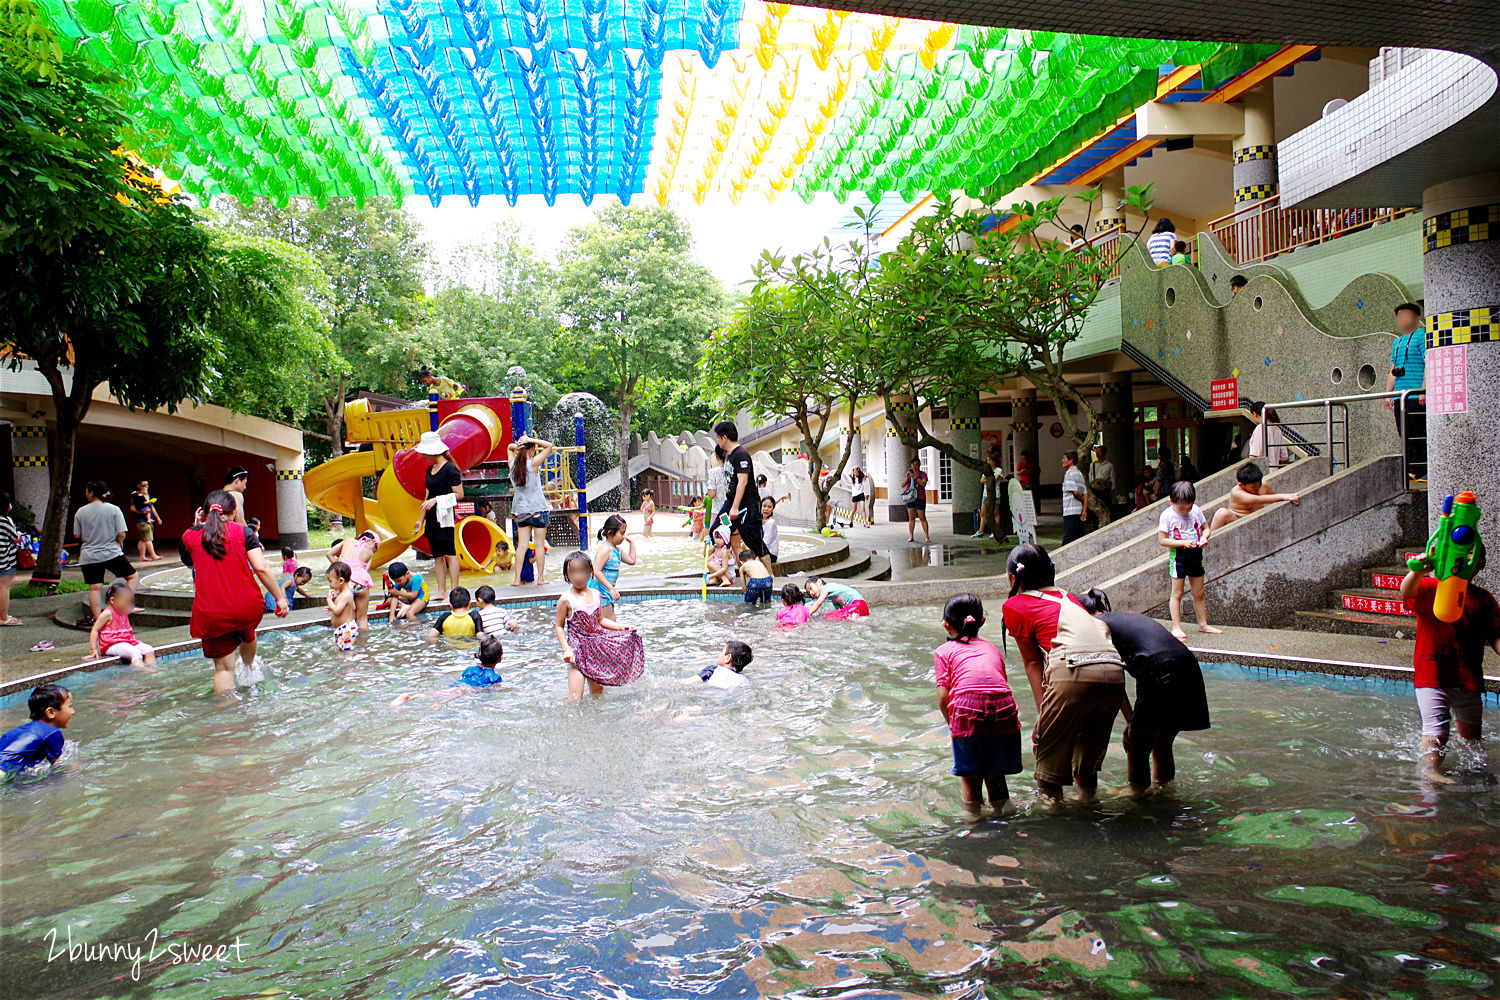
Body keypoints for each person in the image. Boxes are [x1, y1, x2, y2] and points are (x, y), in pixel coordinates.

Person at [1001, 544, 1126, 802]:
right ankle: (1089, 806)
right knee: (1086, 764)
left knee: (1048, 769)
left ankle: (1053, 828)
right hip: (1114, 672)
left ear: (1013, 577)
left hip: (1072, 670)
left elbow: (1033, 663)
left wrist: (1043, 712)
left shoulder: (1015, 606)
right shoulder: (1068, 597)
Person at [1076, 588, 1210, 795]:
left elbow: (1112, 679)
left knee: (1137, 748)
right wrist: (1133, 720)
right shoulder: (1124, 618)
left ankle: (1138, 797)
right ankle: (1163, 793)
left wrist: (1132, 722)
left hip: (1160, 671)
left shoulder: (1097, 627)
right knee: (1162, 743)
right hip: (1187, 668)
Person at [1399, 547, 1500, 783]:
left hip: (1468, 676)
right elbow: (1407, 590)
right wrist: (1417, 571)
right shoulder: (1430, 588)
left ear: (1481, 565)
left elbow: (1496, 634)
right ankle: (1430, 771)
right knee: (1436, 730)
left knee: (1472, 737)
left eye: (1472, 556)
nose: (1465, 560)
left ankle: (1473, 769)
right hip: (1431, 673)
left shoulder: (1483, 599)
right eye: (1460, 555)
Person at [180, 489, 287, 694]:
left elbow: (192, 564)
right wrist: (280, 598)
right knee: (247, 632)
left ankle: (230, 717)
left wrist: (196, 527)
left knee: (223, 670)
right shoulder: (243, 532)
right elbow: (261, 568)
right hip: (247, 606)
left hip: (213, 612)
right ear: (234, 511)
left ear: (204, 512)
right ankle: (249, 669)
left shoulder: (189, 536)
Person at [934, 593, 1021, 813]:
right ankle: (1005, 819)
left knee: (970, 780)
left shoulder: (944, 651)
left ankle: (974, 828)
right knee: (996, 777)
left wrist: (955, 727)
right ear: (982, 622)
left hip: (966, 707)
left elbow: (944, 698)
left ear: (946, 625)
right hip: (1004, 706)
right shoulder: (992, 648)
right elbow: (998, 684)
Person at [554, 550, 644, 700]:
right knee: (575, 698)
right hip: (577, 651)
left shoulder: (596, 594)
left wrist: (622, 627)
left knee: (597, 694)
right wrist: (566, 650)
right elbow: (559, 626)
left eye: (581, 571)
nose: (578, 576)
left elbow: (601, 620)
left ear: (590, 572)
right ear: (566, 575)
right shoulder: (566, 599)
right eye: (573, 572)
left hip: (596, 649)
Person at [1158, 481, 1222, 639]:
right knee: (1177, 593)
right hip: (1179, 556)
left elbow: (1206, 528)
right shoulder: (1167, 515)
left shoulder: (1196, 510)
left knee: (1199, 592)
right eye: (1182, 507)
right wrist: (1183, 543)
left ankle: (1203, 624)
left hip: (1196, 554)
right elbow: (1163, 540)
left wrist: (1204, 537)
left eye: (1189, 506)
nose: (1186, 510)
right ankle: (1176, 627)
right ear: (1171, 501)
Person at [73, 481, 137, 622]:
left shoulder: (81, 511)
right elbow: (121, 533)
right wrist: (119, 543)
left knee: (95, 587)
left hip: (89, 555)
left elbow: (77, 535)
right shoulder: (114, 509)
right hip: (111, 552)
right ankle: (123, 606)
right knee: (132, 577)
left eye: (86, 491)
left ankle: (99, 618)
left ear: (91, 493)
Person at [414, 431, 464, 599]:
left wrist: (436, 500)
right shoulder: (430, 469)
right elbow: (427, 495)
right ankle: (441, 591)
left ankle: (454, 590)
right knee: (437, 556)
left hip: (445, 518)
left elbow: (459, 494)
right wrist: (420, 520)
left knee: (450, 554)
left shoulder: (450, 469)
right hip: (432, 519)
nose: (422, 455)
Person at [391, 635, 506, 706]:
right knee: (452, 698)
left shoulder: (469, 670)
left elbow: (461, 680)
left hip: (455, 685)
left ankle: (411, 697)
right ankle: (438, 704)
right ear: (500, 659)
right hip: (467, 690)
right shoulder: (494, 678)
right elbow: (494, 691)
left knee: (433, 694)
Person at [713, 421, 768, 559]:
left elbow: (742, 482)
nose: (718, 441)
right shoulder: (729, 455)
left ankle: (769, 574)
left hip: (746, 507)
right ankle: (722, 570)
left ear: (724, 437)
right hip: (730, 504)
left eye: (718, 438)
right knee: (716, 532)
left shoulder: (741, 454)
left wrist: (735, 507)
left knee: (754, 542)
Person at [507, 433, 555, 587]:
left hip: (521, 511)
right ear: (533, 448)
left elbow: (509, 447)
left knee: (522, 546)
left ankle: (516, 580)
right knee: (539, 545)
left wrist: (520, 445)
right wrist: (530, 441)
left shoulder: (513, 464)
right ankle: (540, 578)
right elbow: (549, 446)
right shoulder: (533, 463)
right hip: (538, 510)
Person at [1387, 303, 1427, 481]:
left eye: (1406, 315)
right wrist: (1389, 393)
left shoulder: (1422, 336)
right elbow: (1393, 369)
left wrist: (1424, 390)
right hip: (1400, 396)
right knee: (1404, 433)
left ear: (1417, 317)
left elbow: (1428, 363)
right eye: (1399, 317)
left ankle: (1421, 470)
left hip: (1415, 394)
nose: (1402, 320)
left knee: (1418, 431)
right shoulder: (1397, 342)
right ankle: (1411, 469)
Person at [0, 684, 73, 775]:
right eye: (70, 706)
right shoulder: (52, 732)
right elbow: (59, 766)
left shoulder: (21, 729)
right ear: (50, 712)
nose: (72, 712)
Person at [1209, 462, 1301, 532]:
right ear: (1241, 485)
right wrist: (1285, 496)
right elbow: (1256, 499)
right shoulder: (1236, 492)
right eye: (1253, 488)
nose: (1257, 489)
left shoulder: (1264, 485)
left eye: (1259, 485)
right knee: (1222, 513)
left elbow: (1273, 500)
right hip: (1238, 520)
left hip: (1258, 521)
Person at [87, 582, 156, 666]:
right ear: (112, 600)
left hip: (127, 642)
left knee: (149, 649)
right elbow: (95, 630)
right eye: (125, 602)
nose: (128, 605)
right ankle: (141, 672)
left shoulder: (124, 610)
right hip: (111, 645)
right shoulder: (107, 613)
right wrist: (93, 650)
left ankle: (153, 670)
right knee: (134, 653)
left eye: (130, 602)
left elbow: (130, 609)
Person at [327, 530, 378, 630]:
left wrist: (340, 569)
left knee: (347, 616)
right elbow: (365, 572)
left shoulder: (347, 541)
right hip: (360, 585)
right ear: (373, 542)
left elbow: (329, 554)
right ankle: (364, 643)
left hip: (347, 582)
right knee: (362, 618)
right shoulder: (370, 553)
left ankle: (347, 639)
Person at [590, 514, 637, 621]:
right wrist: (611, 588)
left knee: (608, 623)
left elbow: (632, 560)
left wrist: (632, 543)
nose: (624, 537)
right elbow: (596, 570)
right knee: (611, 622)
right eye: (621, 533)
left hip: (607, 593)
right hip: (600, 592)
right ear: (610, 533)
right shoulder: (605, 549)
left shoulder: (617, 551)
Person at [1245, 402, 1290, 468]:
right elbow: (1284, 456)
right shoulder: (1278, 429)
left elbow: (1254, 456)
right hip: (1274, 472)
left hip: (1263, 472)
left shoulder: (1260, 428)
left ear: (1255, 414)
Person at [326, 562, 358, 651]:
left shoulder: (345, 595)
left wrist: (329, 600)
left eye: (330, 581)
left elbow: (337, 611)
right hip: (344, 629)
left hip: (346, 630)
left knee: (346, 653)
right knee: (343, 651)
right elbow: (353, 607)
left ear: (340, 581)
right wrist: (331, 608)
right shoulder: (346, 593)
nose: (330, 584)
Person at [128, 480, 163, 563]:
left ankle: (142, 557)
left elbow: (151, 507)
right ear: (139, 486)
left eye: (147, 485)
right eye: (143, 485)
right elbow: (132, 509)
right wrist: (142, 512)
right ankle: (153, 555)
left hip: (148, 519)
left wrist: (158, 518)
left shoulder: (147, 495)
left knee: (143, 539)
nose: (146, 486)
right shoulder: (136, 496)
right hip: (141, 520)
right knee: (148, 538)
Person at [0, 491, 20, 627]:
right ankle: (3, 617)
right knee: (4, 588)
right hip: (5, 560)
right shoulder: (4, 521)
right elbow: (15, 538)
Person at [805, 578, 869, 619]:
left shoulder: (826, 587)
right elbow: (840, 610)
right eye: (808, 592)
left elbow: (818, 603)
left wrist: (807, 614)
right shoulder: (833, 596)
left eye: (810, 588)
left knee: (826, 618)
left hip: (858, 605)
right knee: (835, 616)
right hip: (862, 608)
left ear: (819, 582)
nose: (811, 593)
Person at [900, 457, 931, 544]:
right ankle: (911, 536)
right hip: (910, 498)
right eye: (913, 464)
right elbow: (903, 484)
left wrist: (915, 477)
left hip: (920, 497)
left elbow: (923, 483)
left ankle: (927, 536)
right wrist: (908, 477)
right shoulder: (909, 474)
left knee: (922, 517)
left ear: (919, 465)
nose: (914, 466)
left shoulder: (923, 474)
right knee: (911, 518)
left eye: (916, 464)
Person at [1060, 451, 1088, 545]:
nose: (1062, 461)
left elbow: (1075, 493)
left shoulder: (1069, 474)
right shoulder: (1080, 474)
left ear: (1071, 460)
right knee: (1078, 540)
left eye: (1064, 458)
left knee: (1068, 540)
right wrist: (1084, 510)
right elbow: (1085, 493)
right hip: (1079, 511)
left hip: (1070, 512)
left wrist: (1082, 499)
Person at [1088, 445, 1115, 517]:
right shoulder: (1092, 465)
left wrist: (1112, 490)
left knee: (1106, 507)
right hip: (1095, 489)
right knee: (1096, 507)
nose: (1097, 454)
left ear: (1104, 453)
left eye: (1099, 452)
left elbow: (1112, 478)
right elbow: (1090, 477)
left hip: (1105, 489)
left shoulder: (1109, 465)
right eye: (1096, 452)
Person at [760, 497, 781, 563]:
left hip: (770, 555)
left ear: (772, 509)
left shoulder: (771, 522)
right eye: (764, 506)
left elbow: (766, 543)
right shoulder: (759, 520)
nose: (766, 509)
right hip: (762, 551)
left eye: (769, 507)